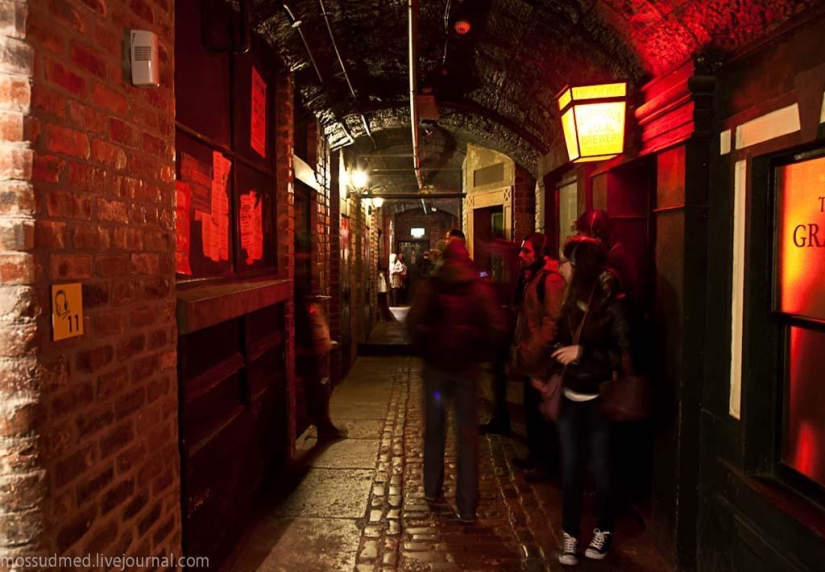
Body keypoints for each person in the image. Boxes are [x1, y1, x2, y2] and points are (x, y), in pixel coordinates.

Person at [407, 240, 506, 523]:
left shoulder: (432, 285)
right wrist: (478, 354)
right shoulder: (478, 288)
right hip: (465, 371)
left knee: (434, 430)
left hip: (436, 370)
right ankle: (467, 505)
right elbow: (497, 327)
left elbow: (412, 323)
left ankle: (432, 488)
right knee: (467, 436)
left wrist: (427, 351)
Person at [550, 235, 632, 565]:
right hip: (570, 399)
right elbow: (560, 340)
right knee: (569, 471)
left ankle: (604, 530)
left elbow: (625, 355)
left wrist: (583, 353)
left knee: (601, 471)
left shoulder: (613, 306)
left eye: (565, 262)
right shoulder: (569, 303)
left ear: (579, 266)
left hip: (600, 401)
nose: (560, 268)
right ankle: (570, 534)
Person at [509, 233, 566, 480]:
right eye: (521, 250)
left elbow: (551, 319)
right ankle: (535, 456)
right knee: (531, 411)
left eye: (527, 251)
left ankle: (547, 463)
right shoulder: (533, 276)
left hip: (540, 358)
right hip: (530, 355)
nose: (521, 255)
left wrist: (537, 349)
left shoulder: (550, 279)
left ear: (541, 253)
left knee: (543, 415)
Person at [294, 285, 346, 441]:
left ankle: (322, 424)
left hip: (310, 350)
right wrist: (311, 347)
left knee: (317, 387)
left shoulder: (303, 297)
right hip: (307, 352)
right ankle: (322, 425)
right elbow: (302, 324)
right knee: (315, 388)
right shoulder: (298, 299)